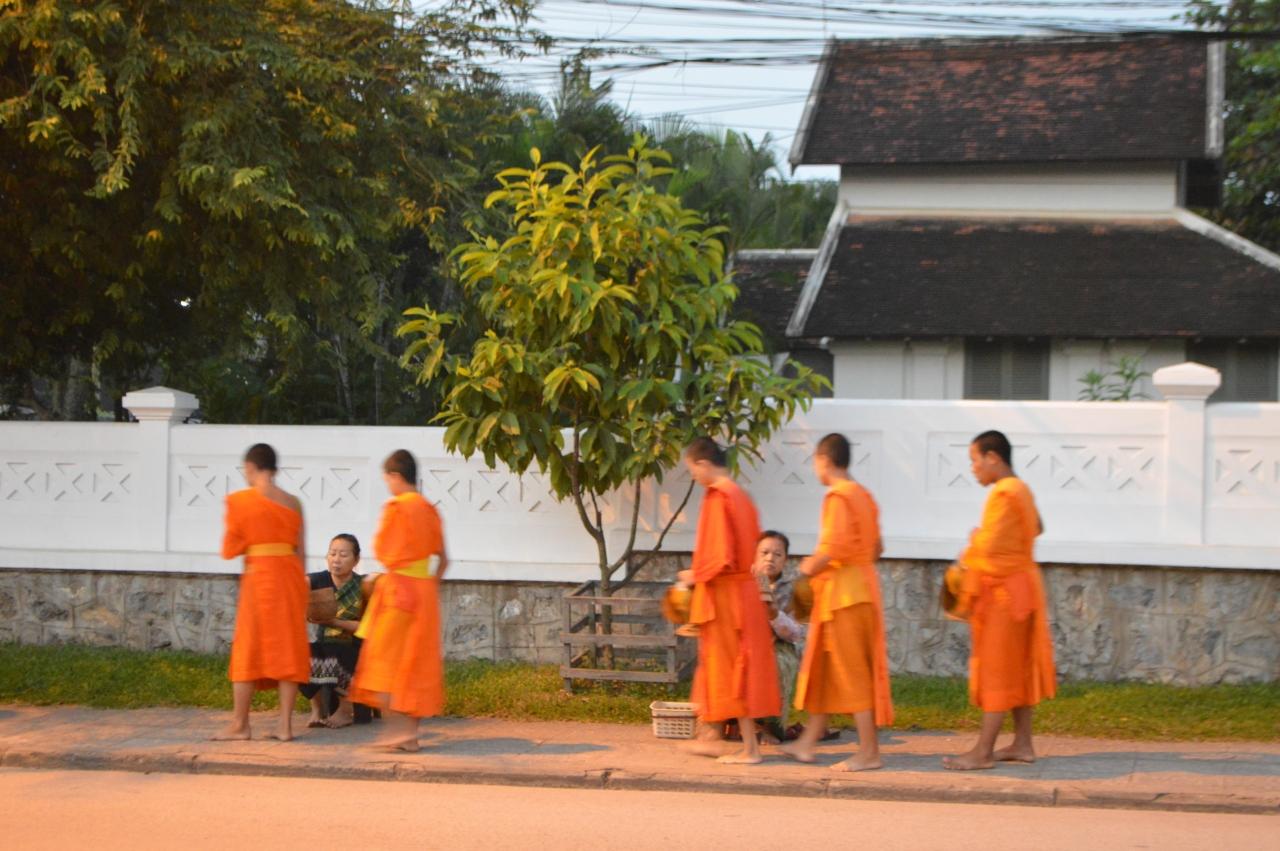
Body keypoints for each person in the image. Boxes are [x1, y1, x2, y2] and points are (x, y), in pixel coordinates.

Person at [943, 430, 1056, 770]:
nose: (973, 468)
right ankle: (1022, 744)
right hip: (1022, 588)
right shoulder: (1021, 489)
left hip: (1005, 594)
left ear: (993, 457)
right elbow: (1037, 526)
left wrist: (972, 546)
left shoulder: (1005, 492)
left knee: (998, 669)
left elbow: (990, 548)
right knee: (1017, 667)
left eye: (974, 460)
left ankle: (982, 752)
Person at [782, 433, 893, 772]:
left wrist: (806, 569)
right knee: (827, 670)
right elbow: (877, 548)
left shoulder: (838, 496)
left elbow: (832, 548)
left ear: (824, 460)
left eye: (814, 462)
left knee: (852, 673)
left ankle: (869, 752)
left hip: (846, 597)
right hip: (859, 591)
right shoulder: (863, 496)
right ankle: (807, 743)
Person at [676, 437, 780, 765]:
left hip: (727, 597)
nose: (693, 476)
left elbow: (720, 556)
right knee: (728, 668)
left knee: (734, 671)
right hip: (741, 593)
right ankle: (713, 738)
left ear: (703, 464)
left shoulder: (719, 497)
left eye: (692, 470)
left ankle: (749, 749)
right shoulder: (741, 496)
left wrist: (694, 575)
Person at [349, 450, 447, 752]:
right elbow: (443, 559)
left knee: (383, 662)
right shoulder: (430, 510)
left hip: (398, 592)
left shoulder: (397, 507)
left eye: (387, 479)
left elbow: (383, 551)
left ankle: (397, 732)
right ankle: (410, 735)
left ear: (394, 475)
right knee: (415, 663)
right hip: (424, 593)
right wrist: (426, 586)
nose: (388, 486)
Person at [215, 443, 310, 742]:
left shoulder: (241, 501)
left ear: (251, 467)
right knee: (288, 648)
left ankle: (240, 725)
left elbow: (230, 548)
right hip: (288, 579)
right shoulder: (294, 503)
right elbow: (301, 551)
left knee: (248, 648)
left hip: (259, 579)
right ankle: (285, 726)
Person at [301, 533, 366, 729]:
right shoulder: (317, 580)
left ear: (356, 560)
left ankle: (345, 710)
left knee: (338, 651)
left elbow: (366, 627)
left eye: (343, 555)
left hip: (353, 645)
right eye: (332, 553)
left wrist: (334, 622)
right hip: (324, 644)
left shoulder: (363, 586)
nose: (336, 560)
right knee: (301, 654)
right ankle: (317, 709)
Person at [752, 531, 805, 743]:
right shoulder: (743, 583)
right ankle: (732, 723)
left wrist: (774, 615)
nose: (770, 559)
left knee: (776, 663)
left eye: (777, 554)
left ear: (785, 560)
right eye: (764, 553)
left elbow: (797, 633)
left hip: (779, 646)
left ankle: (769, 727)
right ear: (754, 556)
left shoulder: (792, 589)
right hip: (748, 644)